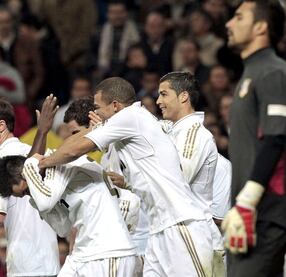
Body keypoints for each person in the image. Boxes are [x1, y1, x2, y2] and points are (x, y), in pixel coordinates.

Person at [39, 77, 214, 276]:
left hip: (182, 223)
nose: (95, 113)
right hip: (157, 231)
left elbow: (74, 150)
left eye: (97, 107)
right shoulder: (131, 124)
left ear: (115, 106)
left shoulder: (130, 117)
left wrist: (42, 162)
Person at [0, 154, 137, 276]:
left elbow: (45, 202)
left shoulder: (59, 163)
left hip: (108, 251)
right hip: (85, 252)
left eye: (26, 190)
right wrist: (36, 201)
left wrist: (30, 164)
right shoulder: (51, 186)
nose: (30, 195)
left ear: (25, 174)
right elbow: (63, 229)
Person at [222, 1, 286, 276]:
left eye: (238, 17)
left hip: (265, 211)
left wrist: (247, 202)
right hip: (252, 211)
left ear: (261, 27)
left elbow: (277, 138)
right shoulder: (251, 72)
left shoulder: (272, 71)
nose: (229, 23)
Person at [0, 97, 60, 277]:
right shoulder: (31, 150)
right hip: (46, 257)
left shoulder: (3, 158)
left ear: (1, 125)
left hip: (28, 262)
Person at [63, 97, 144, 276]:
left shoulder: (124, 146)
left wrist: (127, 184)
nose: (73, 140)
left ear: (92, 125)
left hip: (138, 243)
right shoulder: (100, 157)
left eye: (76, 133)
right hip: (108, 248)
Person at [156, 71, 225, 275]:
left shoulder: (195, 134)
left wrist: (130, 183)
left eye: (164, 94)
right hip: (172, 235)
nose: (158, 101)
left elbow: (178, 181)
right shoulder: (171, 130)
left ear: (183, 96)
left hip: (195, 237)